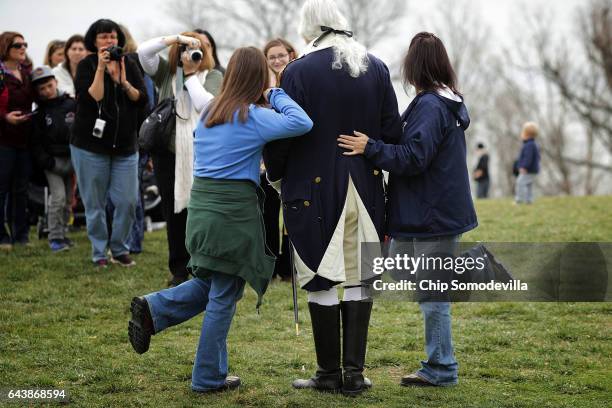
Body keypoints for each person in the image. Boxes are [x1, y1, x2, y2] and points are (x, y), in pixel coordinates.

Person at [128, 46, 313, 393]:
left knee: (213, 283)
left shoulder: (212, 109)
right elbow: (302, 122)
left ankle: (154, 309)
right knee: (224, 294)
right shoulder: (253, 116)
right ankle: (208, 377)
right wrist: (275, 92)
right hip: (232, 213)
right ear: (258, 78)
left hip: (201, 210)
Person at [263, 0, 402, 396]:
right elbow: (391, 132)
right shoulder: (376, 67)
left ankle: (328, 374)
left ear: (311, 28)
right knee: (360, 276)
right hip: (367, 188)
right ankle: (354, 375)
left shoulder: (297, 71)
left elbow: (283, 134)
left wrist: (275, 176)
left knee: (320, 274)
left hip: (312, 190)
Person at [338, 32, 478, 387]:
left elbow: (414, 157)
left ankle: (441, 368)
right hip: (424, 213)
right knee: (401, 269)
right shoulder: (432, 102)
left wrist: (371, 148)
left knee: (432, 295)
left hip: (435, 215)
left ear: (416, 65)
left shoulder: (432, 105)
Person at [138, 31, 223, 286]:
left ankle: (203, 265)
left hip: (203, 155)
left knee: (202, 212)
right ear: (178, 50)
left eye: (203, 47)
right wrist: (175, 38)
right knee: (173, 214)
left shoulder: (215, 76)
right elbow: (143, 51)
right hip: (167, 155)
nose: (198, 51)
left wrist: (190, 73)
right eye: (190, 47)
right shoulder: (166, 73)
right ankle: (178, 269)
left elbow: (204, 105)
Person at [70, 19, 147, 267]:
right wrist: (102, 70)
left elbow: (141, 99)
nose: (109, 41)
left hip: (125, 146)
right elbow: (93, 98)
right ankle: (99, 252)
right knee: (95, 203)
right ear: (94, 40)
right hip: (90, 147)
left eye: (113, 36)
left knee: (127, 201)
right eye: (103, 37)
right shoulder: (86, 64)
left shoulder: (130, 63)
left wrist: (123, 81)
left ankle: (120, 247)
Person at [261, 37, 298, 281]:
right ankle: (270, 264)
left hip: (294, 153)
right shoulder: (262, 84)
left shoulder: (297, 79)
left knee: (292, 213)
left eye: (281, 55)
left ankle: (289, 267)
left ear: (290, 54)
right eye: (272, 57)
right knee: (268, 213)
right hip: (268, 155)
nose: (277, 60)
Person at [30, 66, 76, 252]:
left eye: (49, 85)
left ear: (56, 82)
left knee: (68, 200)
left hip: (72, 160)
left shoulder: (71, 104)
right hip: (52, 163)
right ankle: (55, 237)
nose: (47, 91)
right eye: (41, 89)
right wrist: (47, 162)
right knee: (57, 198)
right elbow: (36, 143)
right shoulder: (39, 113)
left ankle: (63, 233)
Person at [0, 31, 34, 250]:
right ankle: (2, 236)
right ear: (5, 48)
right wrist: (5, 117)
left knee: (21, 189)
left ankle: (21, 234)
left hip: (25, 138)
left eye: (25, 44)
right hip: (3, 138)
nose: (23, 48)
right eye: (17, 45)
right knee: (1, 188)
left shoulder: (27, 72)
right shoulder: (1, 73)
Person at [514, 122, 540, 204]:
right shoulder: (533, 144)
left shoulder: (529, 145)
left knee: (520, 182)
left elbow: (528, 158)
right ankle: (529, 200)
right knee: (529, 185)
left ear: (526, 134)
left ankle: (519, 199)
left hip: (528, 169)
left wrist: (524, 167)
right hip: (533, 170)